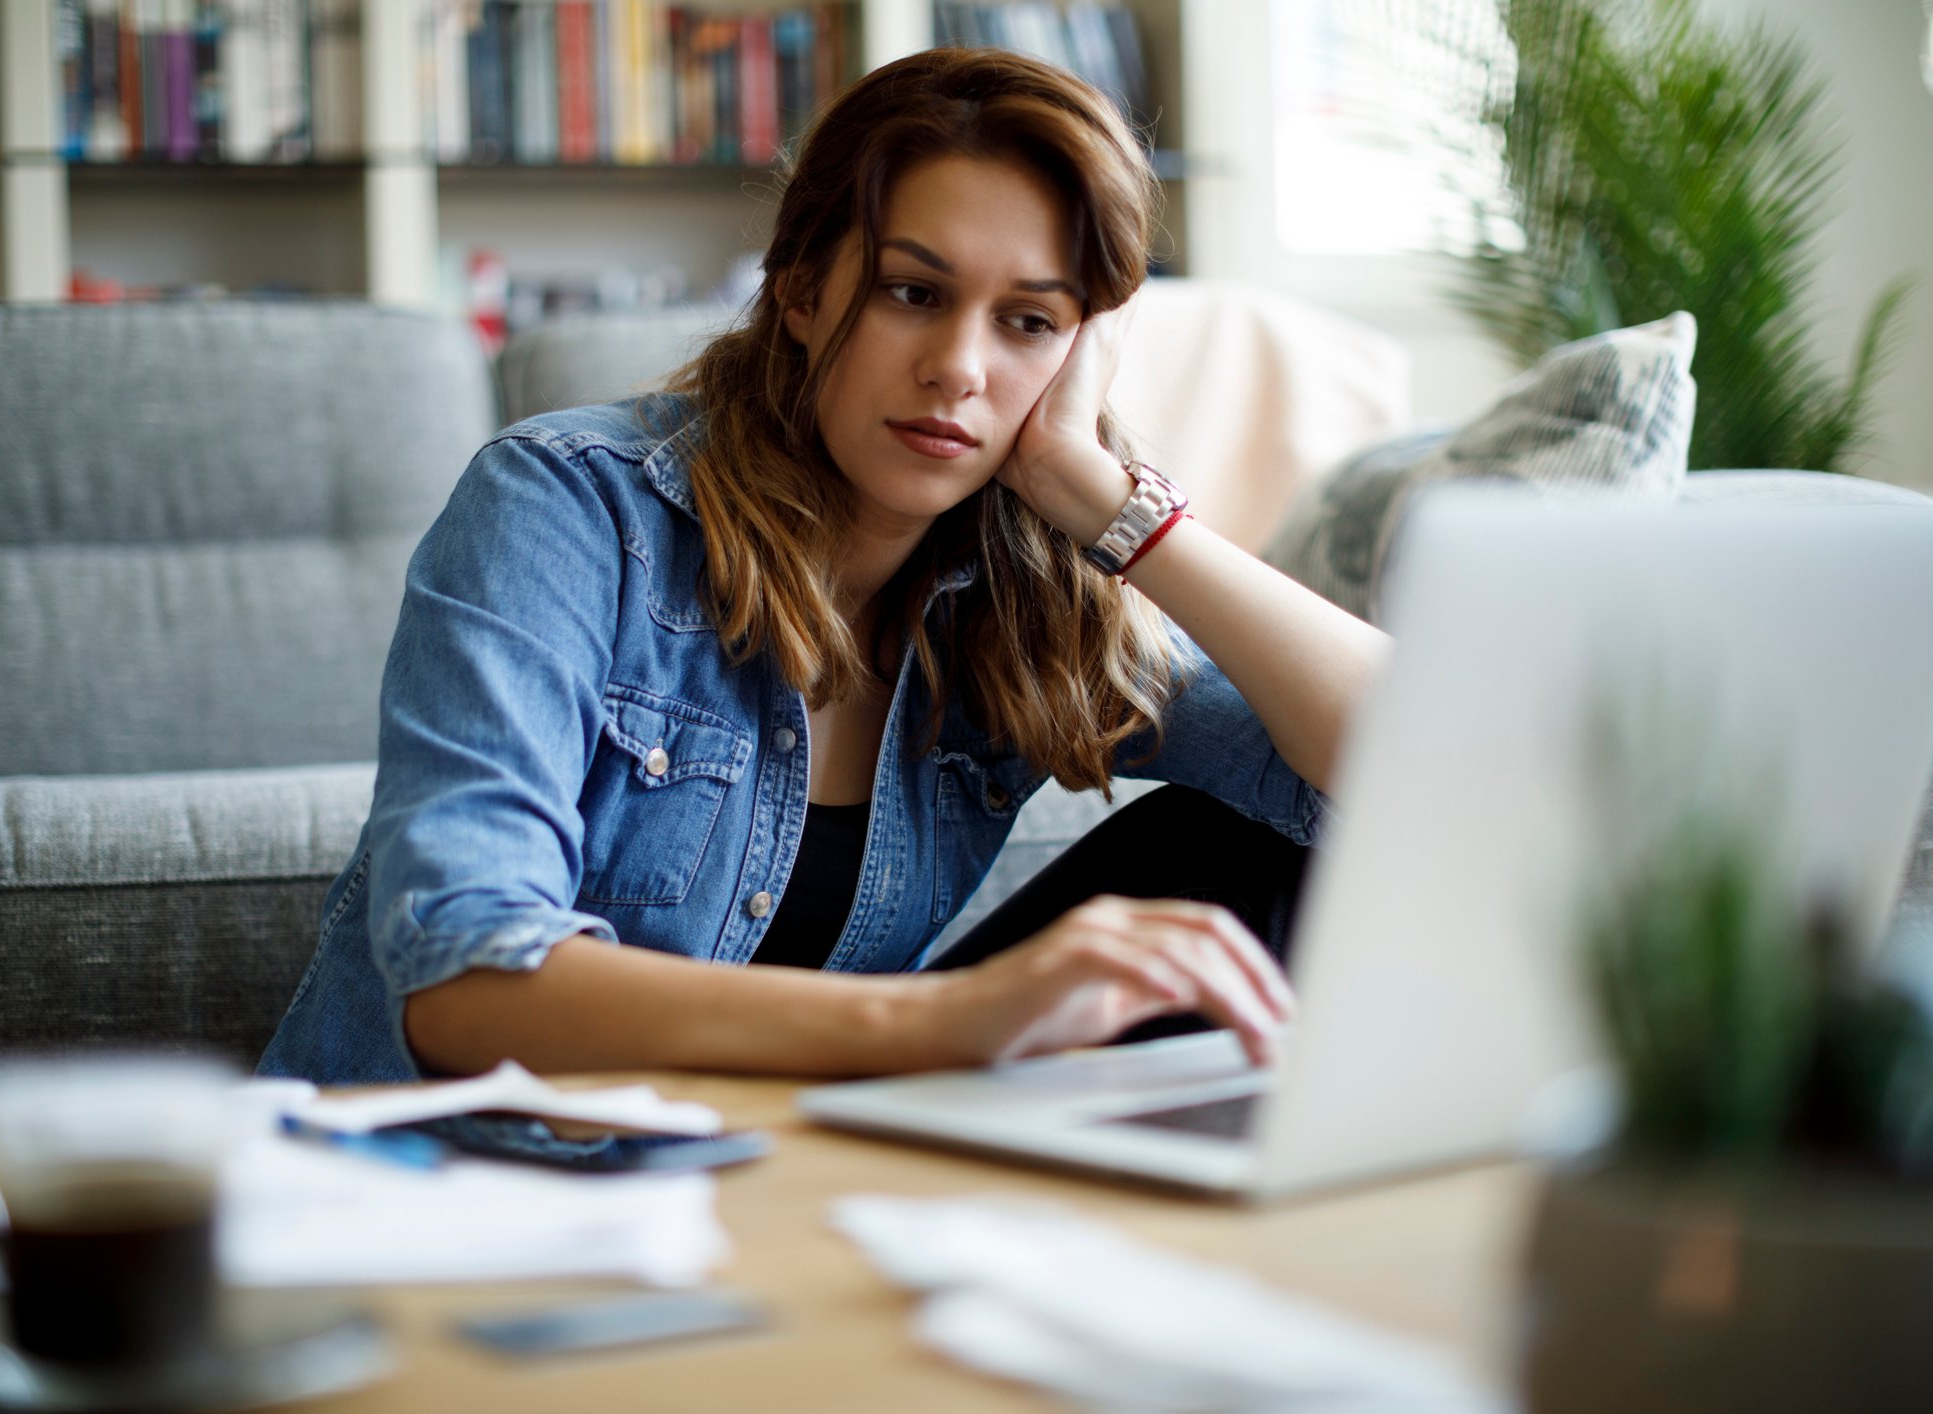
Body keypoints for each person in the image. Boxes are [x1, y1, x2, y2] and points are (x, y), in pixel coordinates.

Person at [257, 48, 1389, 1109]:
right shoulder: (568, 508)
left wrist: (1111, 503)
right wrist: (947, 1019)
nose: (960, 368)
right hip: (456, 1178)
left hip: (791, 1175)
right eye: (913, 292)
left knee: (1271, 851)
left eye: (1028, 321)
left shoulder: (1024, 586)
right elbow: (465, 982)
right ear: (799, 291)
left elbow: (1415, 774)